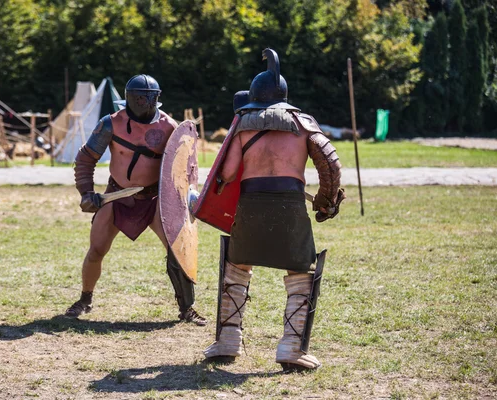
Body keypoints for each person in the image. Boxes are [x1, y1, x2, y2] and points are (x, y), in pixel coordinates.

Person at [203, 49, 345, 370]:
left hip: (250, 206)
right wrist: (325, 201)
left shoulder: (242, 126)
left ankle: (228, 340)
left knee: (237, 268)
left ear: (253, 96)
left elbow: (225, 175)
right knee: (299, 274)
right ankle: (291, 348)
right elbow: (330, 164)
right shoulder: (303, 122)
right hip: (290, 207)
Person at [65, 74, 206, 326]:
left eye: (147, 97)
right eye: (137, 96)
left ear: (156, 98)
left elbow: (186, 167)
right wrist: (86, 192)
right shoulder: (110, 124)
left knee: (177, 250)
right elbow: (86, 158)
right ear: (128, 98)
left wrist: (189, 196)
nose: (142, 101)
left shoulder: (169, 127)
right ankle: (85, 299)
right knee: (96, 249)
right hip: (117, 194)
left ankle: (187, 308)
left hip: (154, 198)